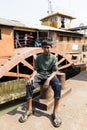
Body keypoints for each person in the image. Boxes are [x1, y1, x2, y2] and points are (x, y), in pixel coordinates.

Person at [19, 39, 62, 127]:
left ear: (51, 48)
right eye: (45, 47)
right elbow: (36, 70)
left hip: (50, 75)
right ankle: (29, 109)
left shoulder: (54, 58)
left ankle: (55, 113)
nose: (47, 49)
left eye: (48, 47)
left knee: (58, 85)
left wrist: (48, 79)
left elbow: (54, 71)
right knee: (29, 85)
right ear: (42, 48)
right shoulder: (38, 57)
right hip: (40, 75)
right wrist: (32, 77)